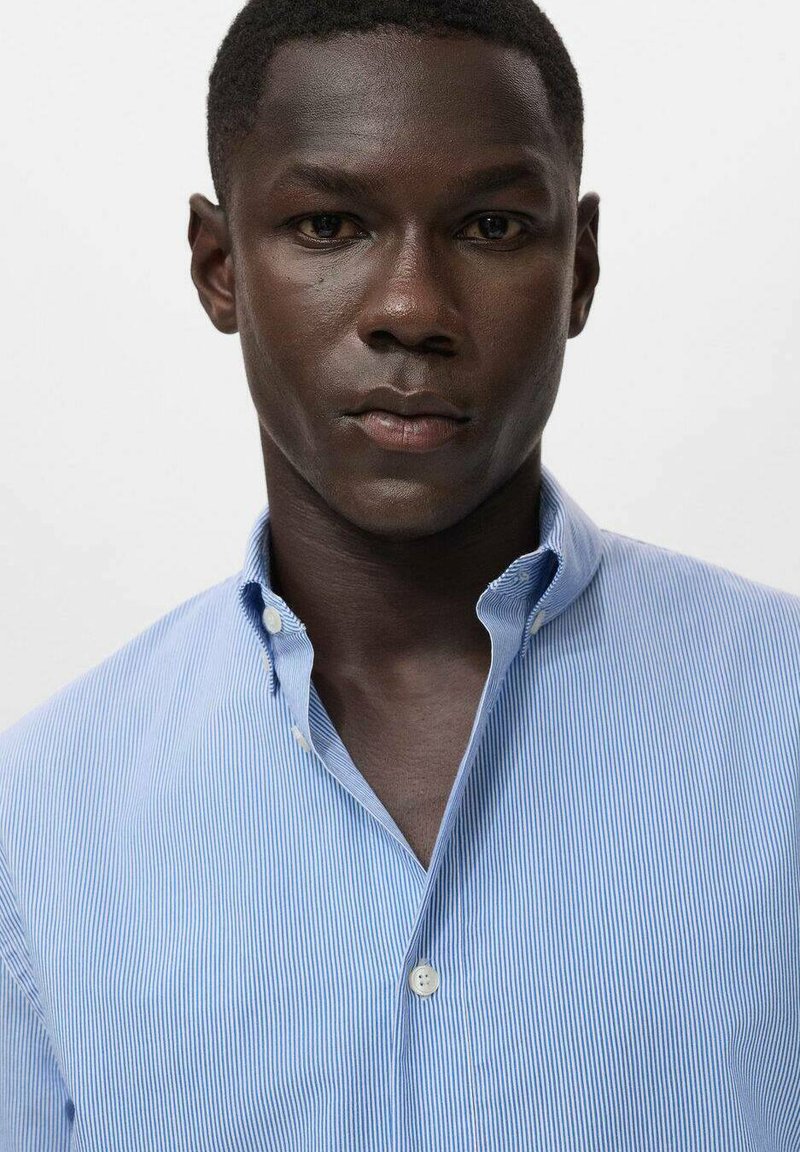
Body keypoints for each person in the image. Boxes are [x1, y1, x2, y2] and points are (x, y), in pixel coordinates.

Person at [1, 0, 798, 1147]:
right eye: (328, 225)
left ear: (578, 268)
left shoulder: (779, 723)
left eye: (490, 226)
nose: (411, 309)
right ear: (219, 267)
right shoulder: (35, 825)